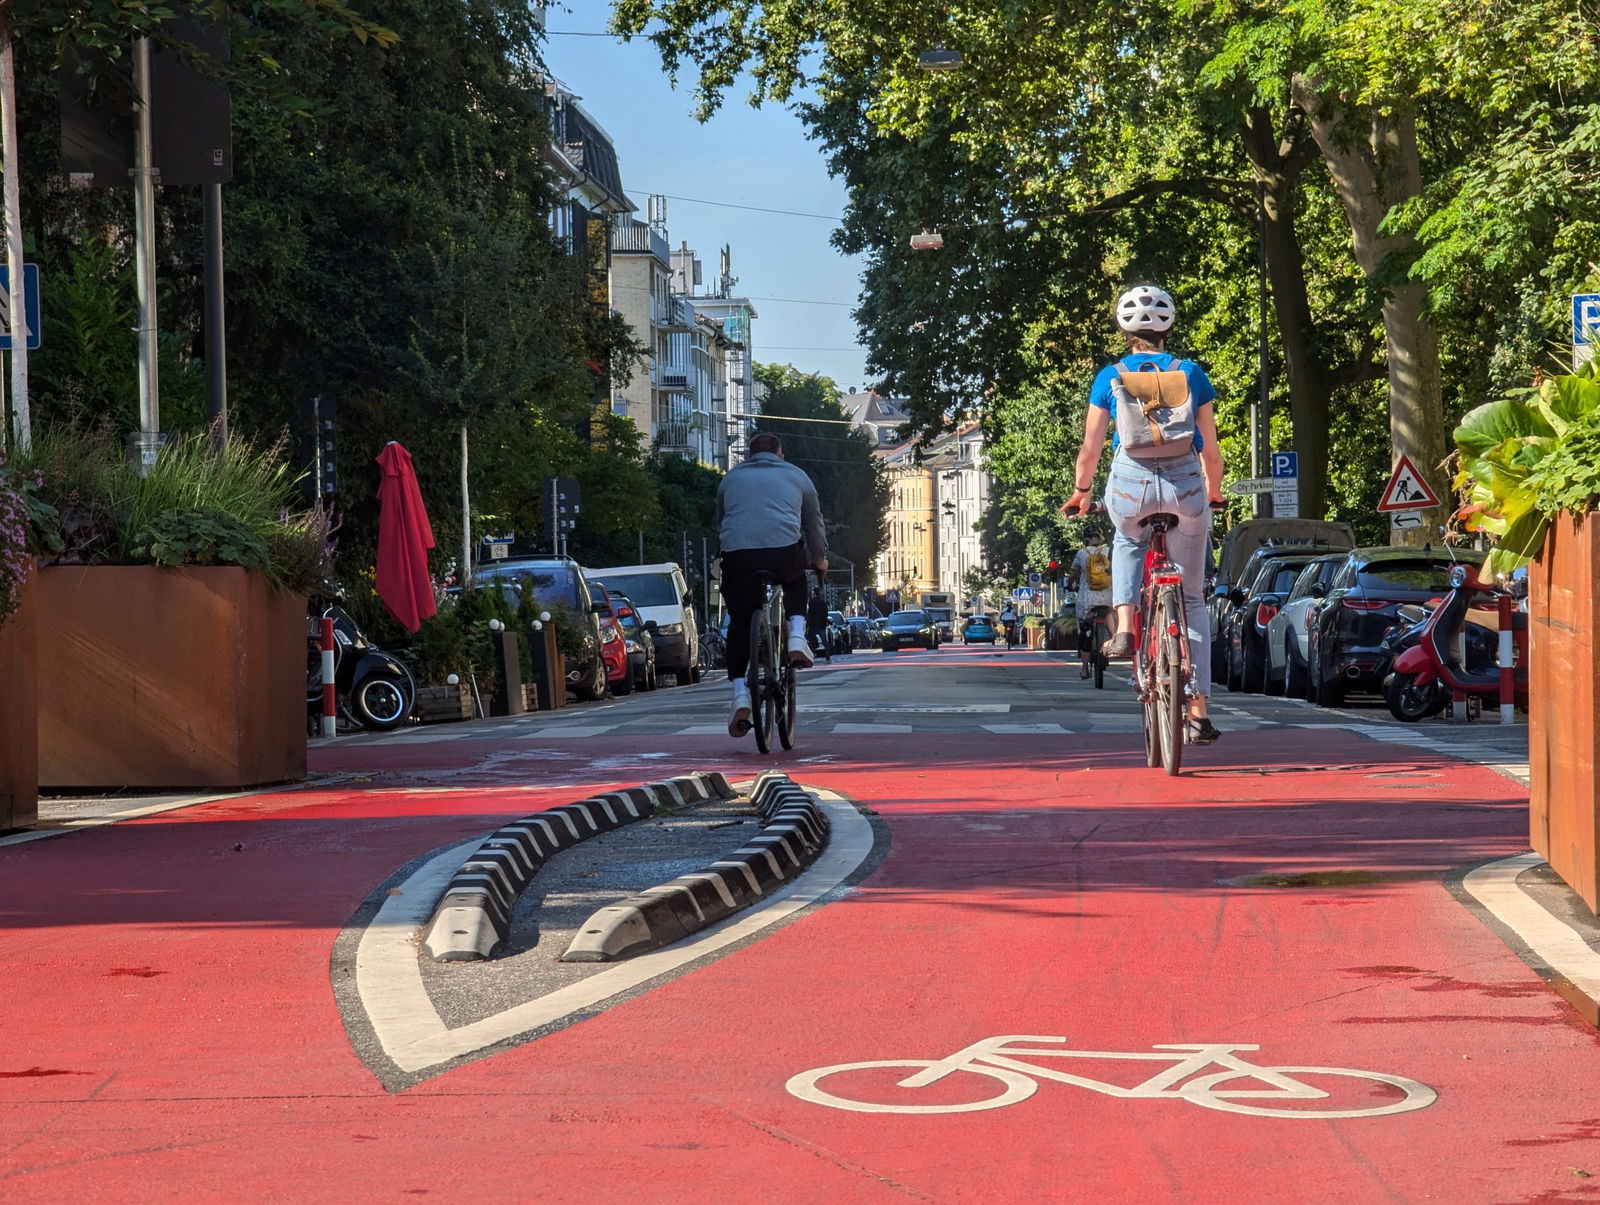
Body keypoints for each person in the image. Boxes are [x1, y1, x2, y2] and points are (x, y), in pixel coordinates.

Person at [1060, 284, 1225, 744]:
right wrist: (1214, 492)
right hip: (1184, 483)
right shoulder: (1190, 373)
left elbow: (1090, 449)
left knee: (1128, 538)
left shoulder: (1109, 376)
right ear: (1169, 327)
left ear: (1123, 330)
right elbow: (1211, 450)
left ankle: (1126, 626)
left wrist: (1081, 493)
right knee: (1192, 600)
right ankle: (1198, 711)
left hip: (1131, 483)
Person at [716, 431, 829, 737]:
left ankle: (740, 694)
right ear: (780, 455)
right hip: (782, 553)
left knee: (740, 622)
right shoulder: (797, 476)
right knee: (796, 579)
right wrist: (819, 559)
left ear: (749, 456)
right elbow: (813, 523)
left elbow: (721, 522)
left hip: (738, 556)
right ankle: (796, 636)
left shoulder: (730, 479)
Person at [1066, 522, 1114, 679]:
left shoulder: (1081, 553)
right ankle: (1116, 640)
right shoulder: (1108, 551)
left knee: (1085, 631)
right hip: (1107, 595)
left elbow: (1073, 574)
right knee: (1108, 613)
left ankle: (1085, 669)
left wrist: (1069, 585)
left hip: (1087, 598)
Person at [806, 582, 833, 663]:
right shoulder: (823, 603)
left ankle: (811, 656)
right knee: (825, 642)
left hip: (813, 625)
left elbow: (810, 614)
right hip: (821, 625)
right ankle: (828, 657)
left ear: (814, 593)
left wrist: (808, 624)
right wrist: (824, 622)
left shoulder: (812, 603)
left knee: (811, 642)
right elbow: (826, 614)